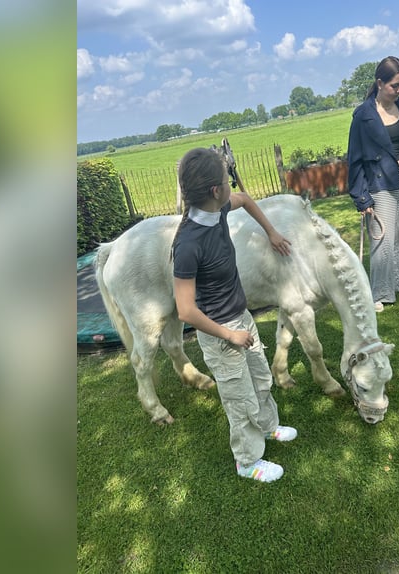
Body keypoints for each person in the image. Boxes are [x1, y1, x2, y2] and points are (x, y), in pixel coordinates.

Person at [171, 147, 296, 483]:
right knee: (238, 398)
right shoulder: (187, 245)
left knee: (260, 379)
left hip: (241, 319)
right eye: (227, 181)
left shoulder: (220, 209)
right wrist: (229, 335)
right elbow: (185, 311)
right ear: (215, 190)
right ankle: (246, 460)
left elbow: (247, 199)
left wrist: (271, 232)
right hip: (220, 335)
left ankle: (269, 426)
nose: (231, 186)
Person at [346, 56, 399, 312]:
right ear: (380, 83)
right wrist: (361, 198)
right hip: (379, 181)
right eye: (395, 85)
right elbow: (355, 158)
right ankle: (381, 292)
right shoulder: (363, 115)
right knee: (382, 237)